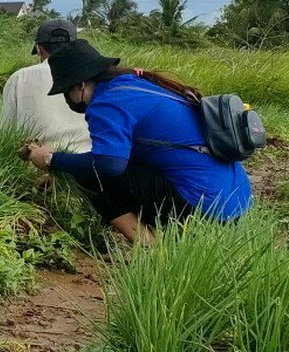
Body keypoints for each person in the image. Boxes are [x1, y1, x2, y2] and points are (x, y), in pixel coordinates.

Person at [20, 39, 250, 243]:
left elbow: (108, 165)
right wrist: (64, 167)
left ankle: (152, 247)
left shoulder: (106, 102)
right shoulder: (135, 84)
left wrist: (52, 159)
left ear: (80, 85)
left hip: (205, 210)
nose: (67, 99)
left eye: (64, 91)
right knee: (95, 165)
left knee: (90, 174)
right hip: (236, 205)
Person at [0, 18, 91, 152]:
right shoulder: (93, 74)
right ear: (76, 46)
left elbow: (5, 132)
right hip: (88, 162)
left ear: (39, 48)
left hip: (39, 162)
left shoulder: (19, 78)